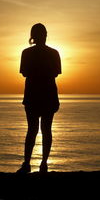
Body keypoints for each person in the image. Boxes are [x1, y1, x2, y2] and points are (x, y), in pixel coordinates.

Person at [16, 23, 61, 174]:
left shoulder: (27, 53)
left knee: (32, 130)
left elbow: (24, 73)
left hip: (34, 95)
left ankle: (28, 164)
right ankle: (43, 164)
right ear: (45, 35)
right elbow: (55, 73)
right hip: (47, 95)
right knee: (46, 130)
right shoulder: (53, 53)